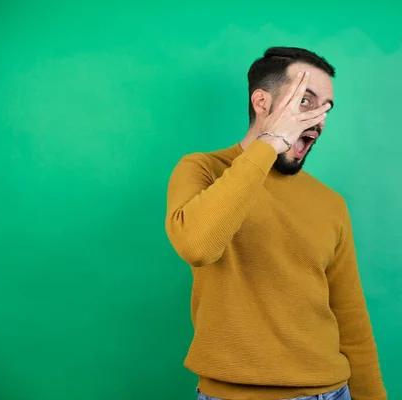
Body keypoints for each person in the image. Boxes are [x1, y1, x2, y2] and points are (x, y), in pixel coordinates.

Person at [165, 46, 387, 400]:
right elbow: (197, 245)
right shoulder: (203, 169)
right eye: (305, 101)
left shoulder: (331, 203)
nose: (318, 120)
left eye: (326, 108)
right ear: (262, 102)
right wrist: (270, 142)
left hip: (330, 392)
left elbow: (350, 317)